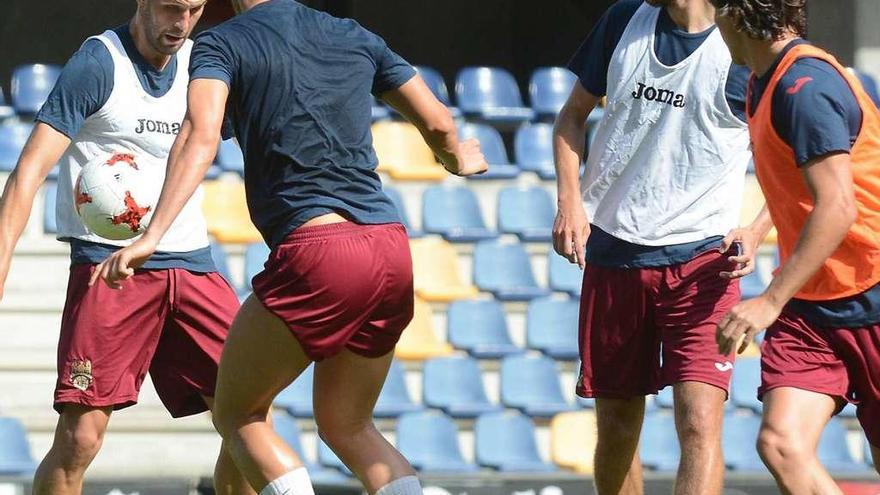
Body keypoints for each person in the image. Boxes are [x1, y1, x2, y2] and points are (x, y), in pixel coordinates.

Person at [93, 0, 488, 493]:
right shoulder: (352, 33)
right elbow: (438, 124)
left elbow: (200, 134)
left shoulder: (222, 43)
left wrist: (152, 235)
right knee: (350, 426)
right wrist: (455, 158)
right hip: (389, 248)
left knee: (238, 412)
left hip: (319, 251)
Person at [0, 1, 254, 494]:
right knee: (80, 440)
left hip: (191, 262)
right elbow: (28, 170)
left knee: (249, 419)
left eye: (195, 9)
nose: (181, 23)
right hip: (107, 266)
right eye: (170, 8)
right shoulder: (98, 63)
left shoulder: (205, 65)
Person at [553, 0, 767, 493]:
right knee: (618, 427)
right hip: (614, 255)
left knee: (698, 424)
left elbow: (790, 159)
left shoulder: (743, 41)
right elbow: (571, 119)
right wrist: (570, 202)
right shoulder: (621, 20)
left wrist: (756, 230)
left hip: (704, 265)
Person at [712, 0, 880, 492]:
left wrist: (768, 300)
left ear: (738, 15)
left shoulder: (805, 87)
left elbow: (838, 207)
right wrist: (760, 227)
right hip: (813, 302)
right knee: (782, 444)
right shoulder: (762, 79)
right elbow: (805, 182)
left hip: (871, 287)